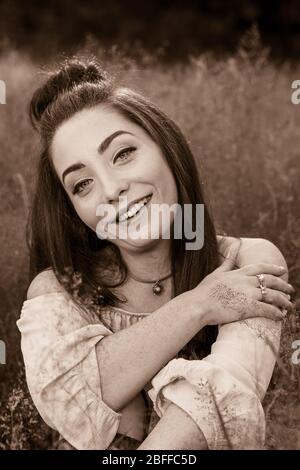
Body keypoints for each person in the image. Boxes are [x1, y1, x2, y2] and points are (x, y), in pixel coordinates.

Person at [17, 58, 294, 450]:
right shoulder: (58, 292)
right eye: (82, 184)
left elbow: (213, 404)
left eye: (123, 154)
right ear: (74, 211)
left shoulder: (247, 261)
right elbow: (75, 399)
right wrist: (199, 305)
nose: (111, 189)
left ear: (166, 147)